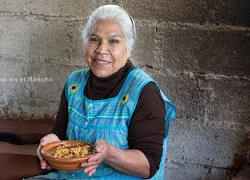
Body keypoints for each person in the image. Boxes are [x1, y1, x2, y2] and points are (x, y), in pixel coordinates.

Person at [28, 4, 176, 180]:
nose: (101, 50)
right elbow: (60, 136)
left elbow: (148, 166)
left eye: (113, 41)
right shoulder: (74, 83)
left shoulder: (143, 91)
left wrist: (109, 154)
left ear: (128, 48)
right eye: (94, 39)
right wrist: (49, 143)